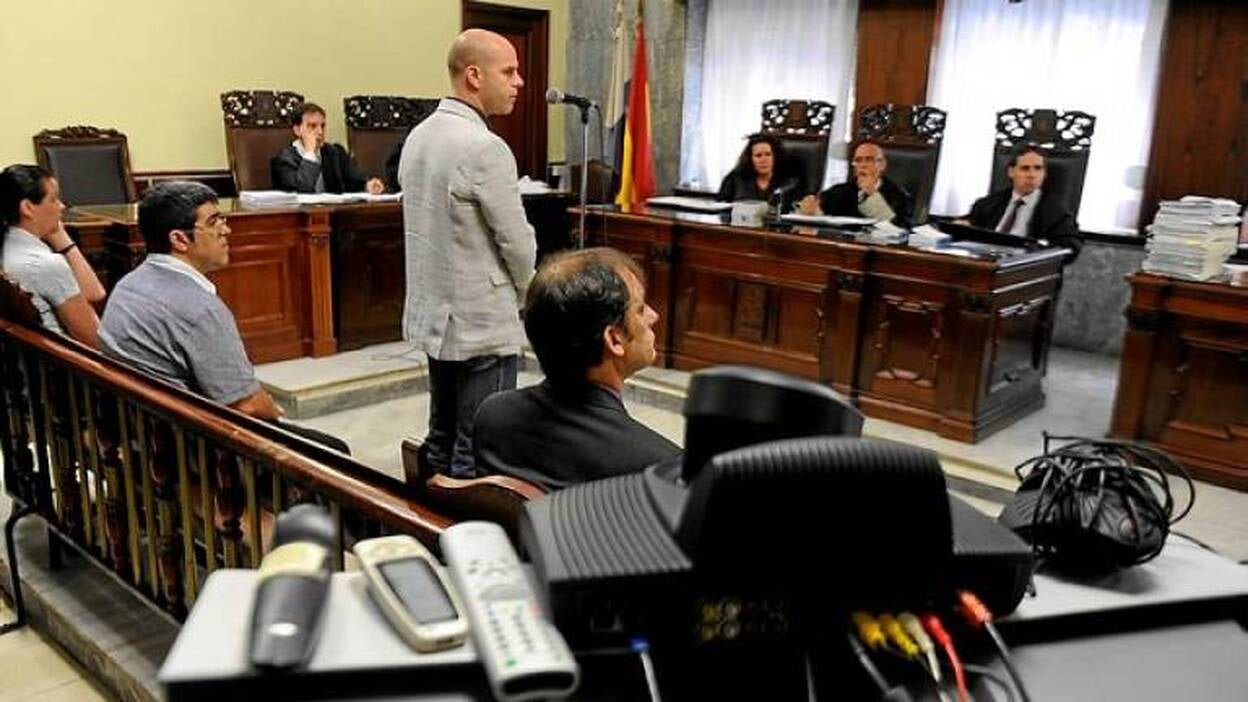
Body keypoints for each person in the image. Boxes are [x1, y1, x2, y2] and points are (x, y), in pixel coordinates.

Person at [99, 181, 349, 453]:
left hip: (139, 431)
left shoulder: (127, 285)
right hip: (189, 449)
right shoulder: (198, 309)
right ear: (179, 239)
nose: (226, 230)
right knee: (335, 451)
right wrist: (273, 410)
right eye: (214, 222)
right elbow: (246, 405)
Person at [399, 29, 537, 478]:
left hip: (436, 313)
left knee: (441, 435)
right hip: (481, 321)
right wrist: (530, 294)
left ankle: (426, 512)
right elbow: (516, 242)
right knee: (477, 448)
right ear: (474, 76)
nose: (519, 82)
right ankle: (459, 521)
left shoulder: (420, 135)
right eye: (509, 71)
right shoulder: (484, 147)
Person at [474, 248, 681, 491]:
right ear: (614, 340)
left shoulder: (493, 416)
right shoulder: (662, 468)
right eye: (640, 309)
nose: (654, 316)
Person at [0, 164, 105, 348]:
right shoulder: (44, 264)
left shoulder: (7, 247)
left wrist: (59, 236)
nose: (62, 206)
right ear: (27, 208)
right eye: (54, 199)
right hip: (63, 362)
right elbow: (95, 340)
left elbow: (94, 294)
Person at [961, 145, 1082, 260]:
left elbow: (1071, 247)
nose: (1032, 175)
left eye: (1038, 168)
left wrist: (1039, 252)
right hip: (984, 262)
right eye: (1025, 168)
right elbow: (970, 225)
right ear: (1011, 172)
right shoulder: (988, 203)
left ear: (1044, 174)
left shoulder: (1058, 213)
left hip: (1025, 266)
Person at [270, 103, 384, 195]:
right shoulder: (283, 160)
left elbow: (355, 180)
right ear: (297, 130)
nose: (320, 132)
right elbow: (302, 189)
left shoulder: (335, 152)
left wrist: (368, 185)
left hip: (334, 213)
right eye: (312, 126)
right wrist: (310, 154)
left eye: (323, 126)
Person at [799, 141, 914, 226]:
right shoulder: (840, 191)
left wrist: (872, 195)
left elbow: (899, 230)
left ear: (882, 165)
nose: (863, 165)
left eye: (869, 159)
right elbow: (820, 212)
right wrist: (811, 209)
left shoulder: (899, 196)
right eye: (858, 160)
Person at [717, 133, 809, 211]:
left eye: (768, 154)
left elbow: (799, 209)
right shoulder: (735, 178)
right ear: (750, 159)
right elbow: (721, 206)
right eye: (758, 155)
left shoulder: (790, 182)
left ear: (775, 157)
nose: (763, 160)